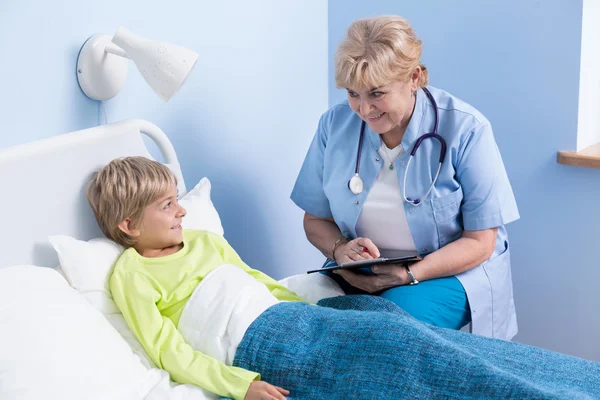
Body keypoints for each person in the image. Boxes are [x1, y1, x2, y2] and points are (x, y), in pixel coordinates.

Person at [87, 157, 599, 400]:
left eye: (179, 198)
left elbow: (256, 281)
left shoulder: (202, 241)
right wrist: (239, 386)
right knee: (410, 360)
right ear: (128, 225)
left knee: (411, 334)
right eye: (165, 205)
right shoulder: (131, 274)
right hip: (258, 345)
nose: (180, 210)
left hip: (292, 317)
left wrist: (324, 308)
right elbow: (167, 352)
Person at [291, 15, 519, 339]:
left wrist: (408, 273)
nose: (364, 109)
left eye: (377, 94)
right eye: (353, 94)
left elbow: (481, 242)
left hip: (446, 274)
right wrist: (341, 250)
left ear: (413, 78)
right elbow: (315, 220)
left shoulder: (467, 130)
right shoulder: (334, 126)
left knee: (387, 333)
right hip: (359, 270)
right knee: (302, 321)